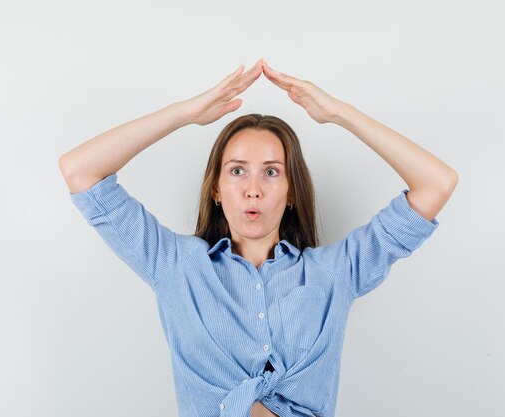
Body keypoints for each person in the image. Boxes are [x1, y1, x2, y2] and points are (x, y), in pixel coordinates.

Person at [58, 58, 458, 417]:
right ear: (215, 189)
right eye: (236, 171)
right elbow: (80, 171)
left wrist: (340, 114)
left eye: (271, 172)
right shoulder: (175, 266)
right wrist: (185, 113)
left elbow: (437, 183)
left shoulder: (335, 273)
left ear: (292, 191)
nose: (253, 189)